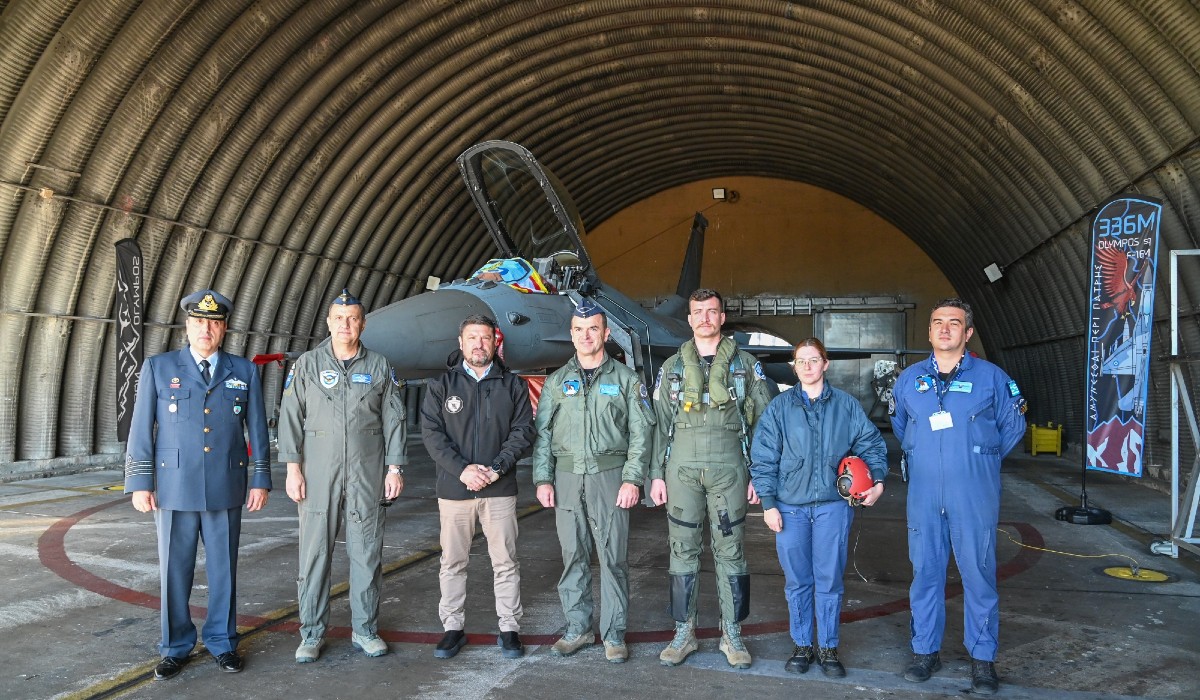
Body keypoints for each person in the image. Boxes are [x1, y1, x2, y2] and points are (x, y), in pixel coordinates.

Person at [124, 289, 271, 680]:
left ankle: (223, 642)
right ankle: (175, 647)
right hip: (174, 487)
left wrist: (260, 479)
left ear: (224, 329)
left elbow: (257, 429)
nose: (206, 329)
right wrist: (140, 481)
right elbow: (141, 428)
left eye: (214, 323)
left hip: (226, 484)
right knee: (174, 572)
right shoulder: (159, 367)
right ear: (187, 326)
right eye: (199, 322)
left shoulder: (244, 371)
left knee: (224, 571)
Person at [890, 298, 1026, 696]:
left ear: (968, 332)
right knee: (925, 573)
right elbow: (901, 425)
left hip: (974, 493)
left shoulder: (993, 378)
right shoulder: (910, 379)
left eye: (954, 322)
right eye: (938, 322)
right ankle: (925, 651)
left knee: (979, 573)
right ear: (929, 331)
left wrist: (978, 458)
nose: (945, 328)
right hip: (924, 494)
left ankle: (982, 659)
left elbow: (1012, 426)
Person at [277, 290, 407, 663]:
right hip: (318, 473)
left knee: (366, 553)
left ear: (362, 324)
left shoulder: (380, 365)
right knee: (314, 555)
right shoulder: (307, 364)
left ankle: (365, 631)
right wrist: (292, 468)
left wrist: (394, 468)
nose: (345, 324)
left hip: (367, 472)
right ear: (329, 323)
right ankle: (311, 633)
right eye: (339, 318)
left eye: (352, 319)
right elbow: (290, 416)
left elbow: (394, 418)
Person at [648, 288, 774, 669]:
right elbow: (660, 425)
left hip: (729, 470)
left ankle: (732, 633)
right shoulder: (672, 367)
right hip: (681, 470)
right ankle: (684, 632)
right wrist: (655, 475)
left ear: (722, 317)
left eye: (712, 311)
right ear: (689, 319)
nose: (705, 318)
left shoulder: (746, 366)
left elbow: (764, 425)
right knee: (681, 549)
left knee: (731, 551)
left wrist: (760, 477)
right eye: (698, 312)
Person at [749, 338, 888, 678]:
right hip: (790, 507)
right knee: (797, 580)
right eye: (801, 361)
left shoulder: (846, 406)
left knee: (829, 580)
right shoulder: (779, 408)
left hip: (832, 507)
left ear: (825, 364)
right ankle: (802, 645)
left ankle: (828, 647)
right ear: (794, 366)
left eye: (814, 360)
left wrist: (878, 480)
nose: (808, 366)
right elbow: (763, 457)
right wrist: (768, 504)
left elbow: (871, 443)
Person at [532, 299, 655, 663]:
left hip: (610, 476)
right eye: (579, 330)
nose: (586, 336)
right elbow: (543, 435)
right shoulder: (557, 381)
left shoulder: (627, 380)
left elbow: (641, 434)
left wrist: (633, 480)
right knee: (573, 556)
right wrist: (543, 478)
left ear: (606, 332)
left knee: (612, 558)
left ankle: (614, 634)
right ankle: (578, 629)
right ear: (571, 335)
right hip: (567, 477)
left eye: (593, 329)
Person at [421, 314, 535, 660]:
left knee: (506, 562)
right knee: (452, 562)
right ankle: (452, 628)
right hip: (455, 491)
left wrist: (497, 468)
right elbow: (432, 434)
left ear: (495, 342)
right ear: (461, 343)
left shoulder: (513, 386)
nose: (478, 344)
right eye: (472, 337)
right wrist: (462, 470)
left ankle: (509, 629)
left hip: (499, 491)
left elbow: (523, 432)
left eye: (485, 337)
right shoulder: (441, 386)